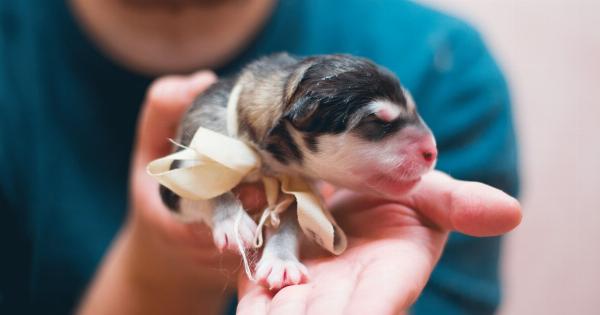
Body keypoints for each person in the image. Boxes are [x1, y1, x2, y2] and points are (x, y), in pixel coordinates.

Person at [0, 0, 521, 314]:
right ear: (301, 122)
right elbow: (199, 186)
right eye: (375, 127)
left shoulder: (444, 65)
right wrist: (162, 272)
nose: (426, 150)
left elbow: (295, 198)